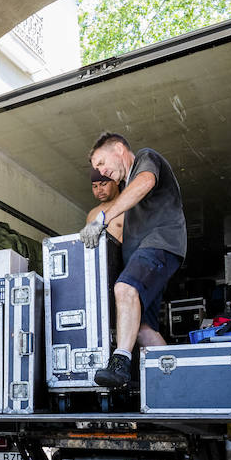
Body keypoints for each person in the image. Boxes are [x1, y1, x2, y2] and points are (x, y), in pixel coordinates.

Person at [81, 131, 187, 389]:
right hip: (146, 255)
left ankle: (120, 361)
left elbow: (146, 182)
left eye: (102, 163)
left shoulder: (145, 158)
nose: (102, 172)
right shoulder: (126, 191)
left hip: (161, 244)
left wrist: (102, 219)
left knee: (124, 287)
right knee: (140, 329)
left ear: (119, 149)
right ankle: (178, 385)